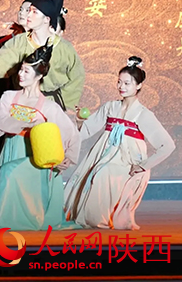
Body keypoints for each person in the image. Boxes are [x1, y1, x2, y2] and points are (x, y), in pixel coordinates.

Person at [0, 45, 80, 231]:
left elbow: (69, 132)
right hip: (11, 147)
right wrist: (27, 125)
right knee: (6, 178)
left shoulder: (49, 106)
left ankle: (19, 219)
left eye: (26, 71)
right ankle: (7, 219)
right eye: (20, 69)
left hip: (33, 154)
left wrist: (68, 156)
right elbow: (0, 119)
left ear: (39, 76)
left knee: (10, 174)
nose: (20, 74)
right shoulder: (8, 97)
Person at [64, 57, 176, 230]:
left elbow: (168, 146)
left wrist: (143, 166)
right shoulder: (110, 107)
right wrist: (79, 121)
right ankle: (91, 218)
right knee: (97, 171)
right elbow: (86, 131)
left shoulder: (143, 114)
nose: (121, 87)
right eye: (119, 82)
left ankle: (98, 219)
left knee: (103, 173)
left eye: (127, 83)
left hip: (128, 162)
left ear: (139, 85)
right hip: (103, 156)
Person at [0, 0, 85, 110]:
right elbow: (3, 63)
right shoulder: (20, 41)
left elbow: (77, 77)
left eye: (34, 12)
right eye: (29, 11)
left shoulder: (64, 48)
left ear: (46, 19)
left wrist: (63, 104)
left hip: (51, 104)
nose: (28, 15)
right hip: (23, 100)